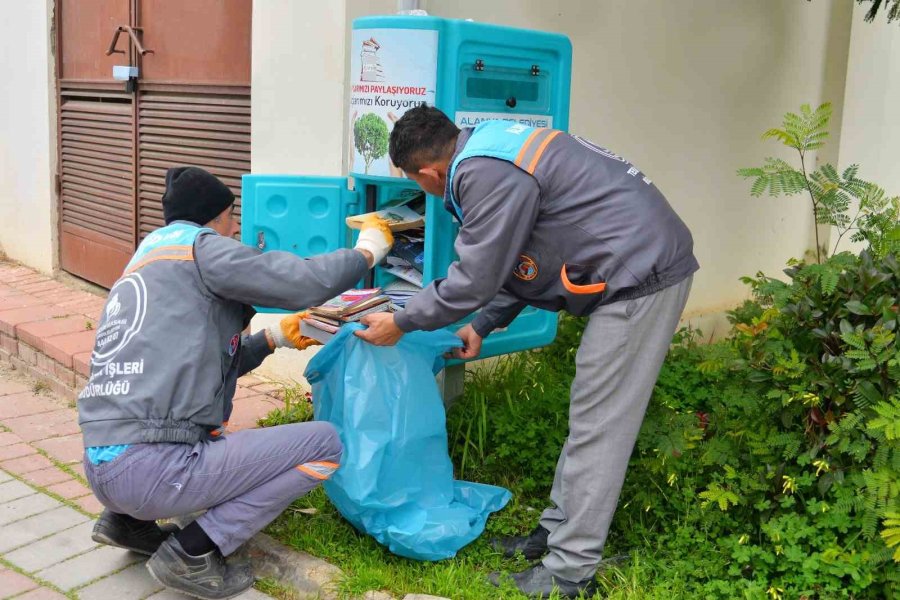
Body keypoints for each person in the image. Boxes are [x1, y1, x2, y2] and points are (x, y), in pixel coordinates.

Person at [356, 106, 699, 599]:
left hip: (641, 273)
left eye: (414, 182)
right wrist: (481, 323)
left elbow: (475, 276)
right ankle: (556, 533)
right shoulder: (485, 148)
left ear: (428, 173)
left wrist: (401, 321)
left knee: (600, 425)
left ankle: (569, 570)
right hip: (633, 256)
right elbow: (521, 253)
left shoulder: (484, 173)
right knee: (589, 419)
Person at [77, 166, 393, 600]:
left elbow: (193, 367)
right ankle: (192, 552)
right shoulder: (202, 248)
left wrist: (274, 337)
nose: (237, 225)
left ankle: (127, 522)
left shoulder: (147, 262)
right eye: (231, 215)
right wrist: (368, 251)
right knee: (325, 444)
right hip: (150, 470)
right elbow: (303, 281)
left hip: (103, 470)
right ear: (210, 219)